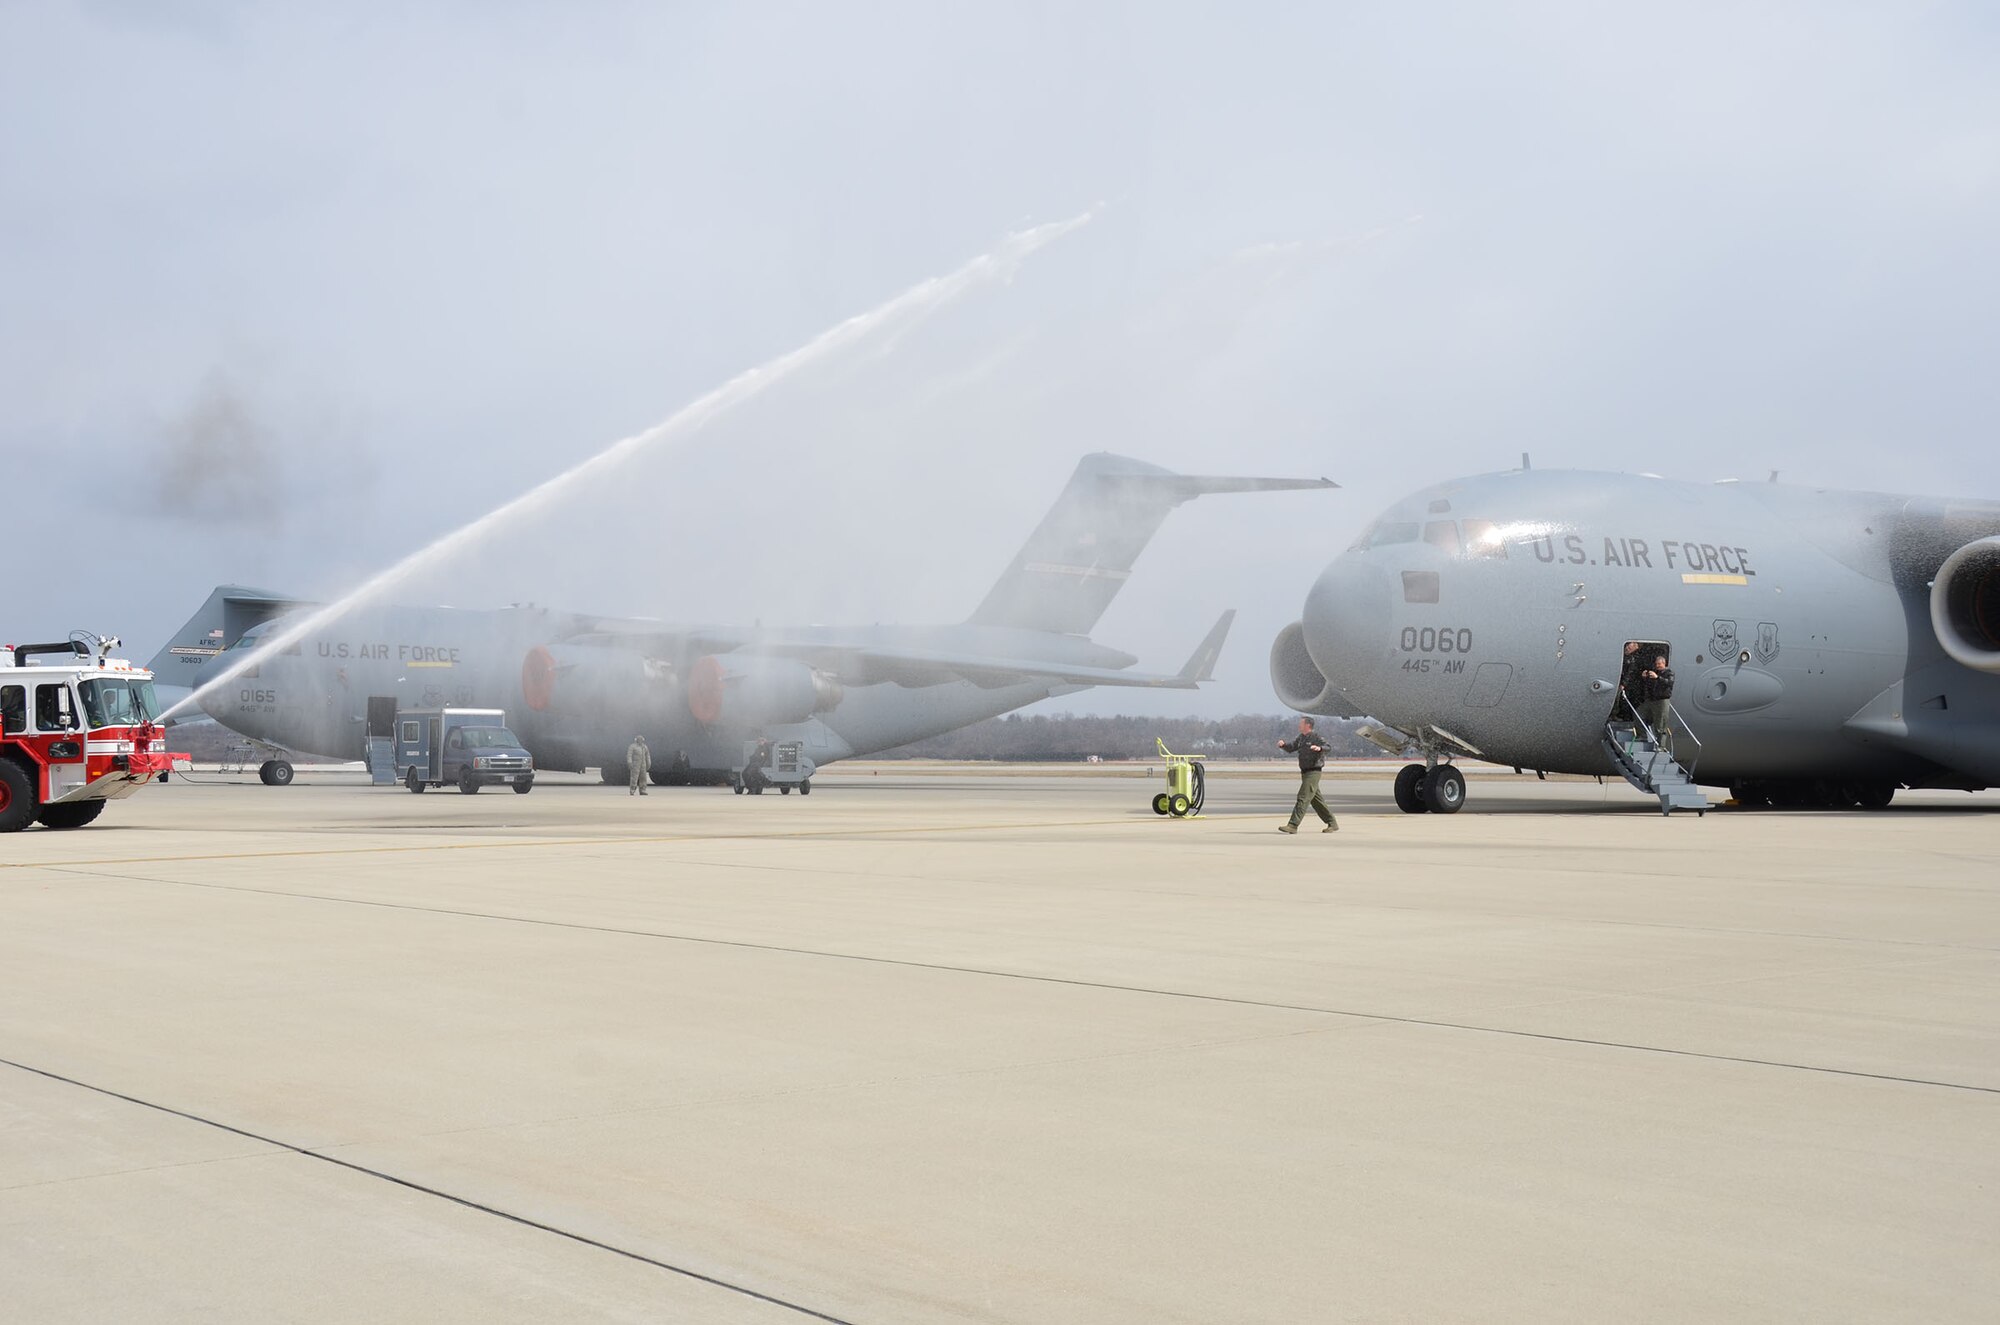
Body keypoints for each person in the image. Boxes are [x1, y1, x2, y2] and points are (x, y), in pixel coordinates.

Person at [1275, 716, 1338, 834]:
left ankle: (1293, 825)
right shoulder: (1301, 738)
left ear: (1308, 725)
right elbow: (1291, 747)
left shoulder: (1316, 737)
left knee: (1303, 797)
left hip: (1313, 771)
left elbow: (1328, 747)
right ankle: (1332, 823)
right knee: (1316, 800)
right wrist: (1283, 745)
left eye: (1301, 723)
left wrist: (1319, 748)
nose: (1299, 725)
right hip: (1305, 772)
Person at [1638, 655, 1675, 754]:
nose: (1657, 666)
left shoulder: (1669, 673)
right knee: (1639, 715)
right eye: (1656, 664)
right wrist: (1645, 678)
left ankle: (1661, 746)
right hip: (1652, 700)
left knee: (1660, 724)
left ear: (1664, 663)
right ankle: (1642, 736)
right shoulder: (1654, 673)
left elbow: (1669, 683)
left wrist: (1658, 677)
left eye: (1659, 664)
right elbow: (1649, 686)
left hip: (1662, 701)